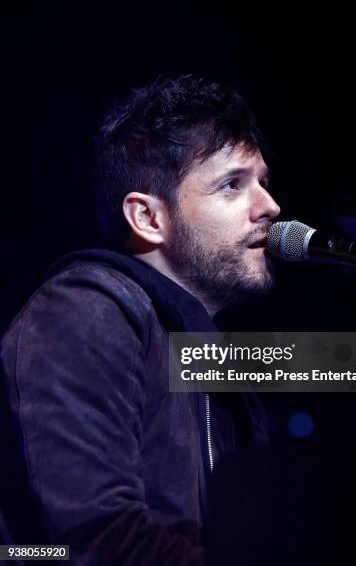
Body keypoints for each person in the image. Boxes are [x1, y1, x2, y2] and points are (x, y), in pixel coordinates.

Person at [0, 74, 281, 565]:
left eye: (263, 183)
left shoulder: (213, 357)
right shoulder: (84, 309)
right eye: (232, 185)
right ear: (149, 218)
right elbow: (92, 543)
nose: (270, 207)